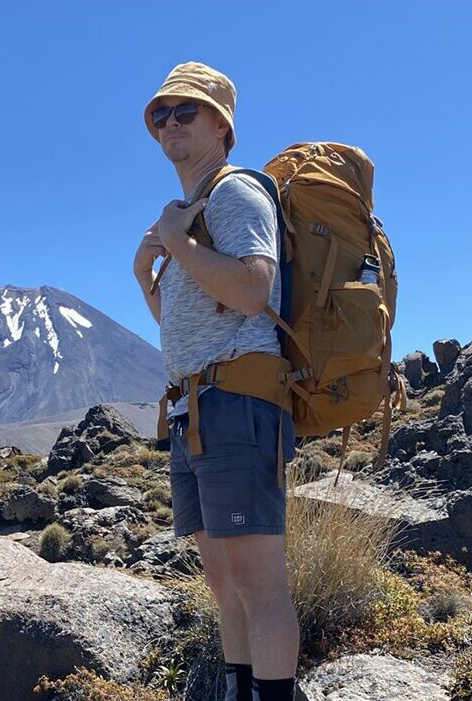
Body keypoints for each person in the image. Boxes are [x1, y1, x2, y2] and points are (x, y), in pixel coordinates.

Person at [132, 61, 299, 701]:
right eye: (160, 114)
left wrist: (179, 241)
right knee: (223, 581)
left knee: (258, 582)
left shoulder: (233, 195)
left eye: (186, 111)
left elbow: (254, 291)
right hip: (192, 408)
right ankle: (238, 688)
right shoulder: (186, 214)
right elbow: (182, 328)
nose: (170, 122)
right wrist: (148, 268)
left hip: (236, 402)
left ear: (221, 126)